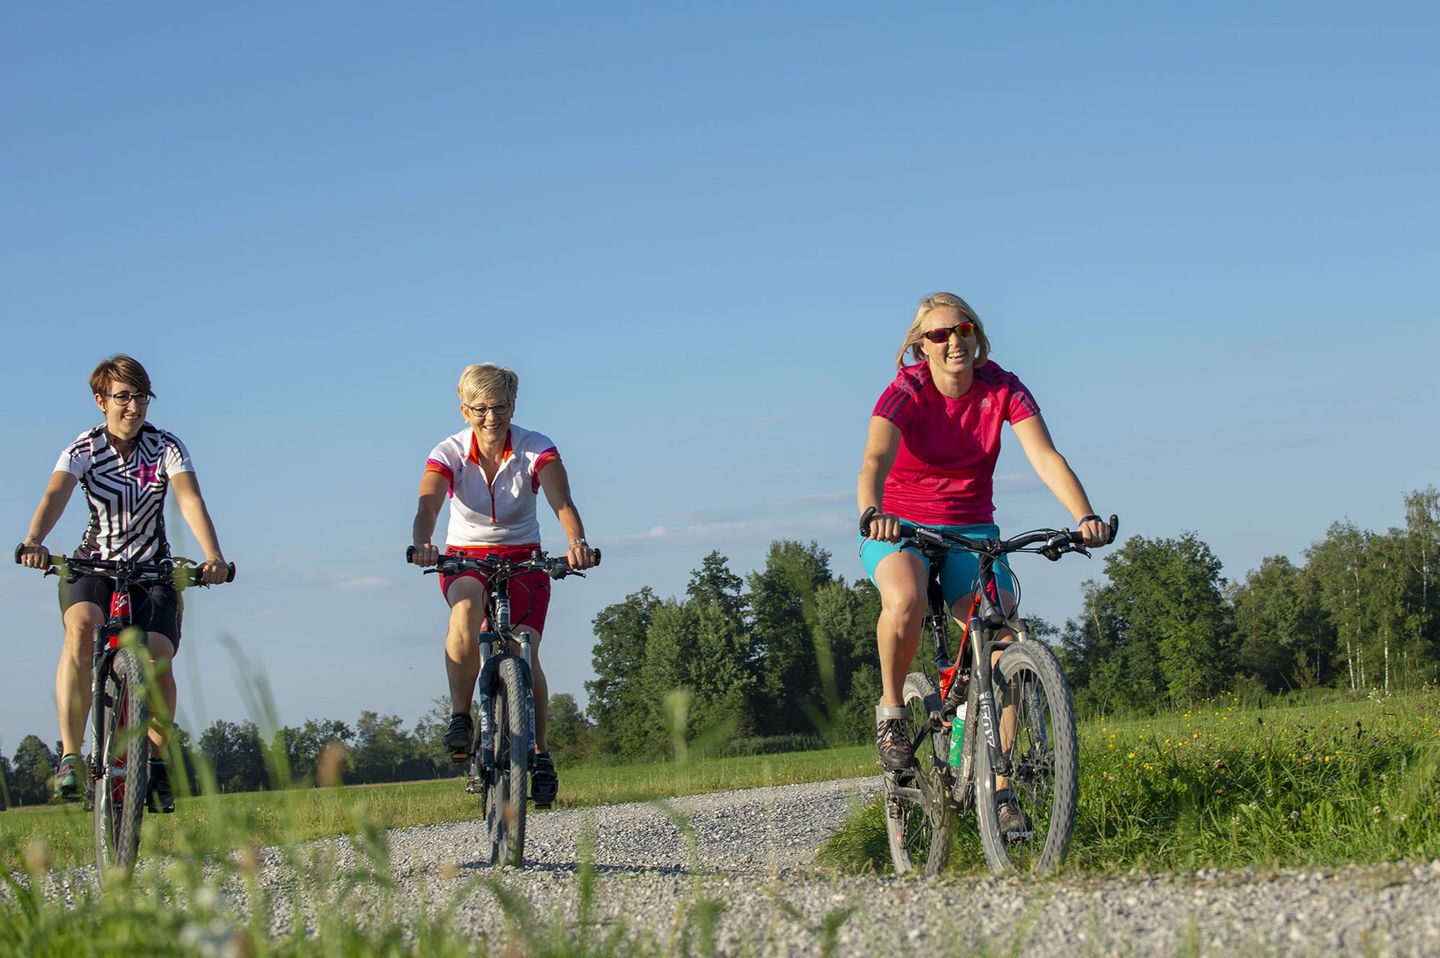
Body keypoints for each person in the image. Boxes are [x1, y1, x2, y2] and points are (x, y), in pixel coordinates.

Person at [856, 292, 1110, 832]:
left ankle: (1001, 787)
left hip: (973, 530)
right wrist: (872, 510)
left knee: (1004, 637)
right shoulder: (907, 391)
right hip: (902, 523)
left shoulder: (1003, 387)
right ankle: (892, 712)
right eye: (939, 335)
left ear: (977, 336)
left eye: (963, 330)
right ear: (919, 347)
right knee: (904, 598)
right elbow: (876, 458)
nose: (953, 342)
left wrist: (1084, 516)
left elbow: (1045, 456)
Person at [16, 355, 230, 809]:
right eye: (123, 397)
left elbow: (190, 499)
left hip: (153, 570)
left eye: (141, 397)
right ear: (101, 401)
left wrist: (213, 556)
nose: (134, 407)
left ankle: (153, 761)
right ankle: (72, 755)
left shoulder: (167, 446)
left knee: (158, 656)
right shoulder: (84, 448)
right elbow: (57, 493)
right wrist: (34, 540)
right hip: (94, 567)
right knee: (82, 629)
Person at [409, 363, 597, 808]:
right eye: (479, 409)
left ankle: (540, 753)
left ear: (514, 406)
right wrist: (422, 544)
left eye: (500, 408)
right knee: (466, 609)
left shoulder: (536, 448)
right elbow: (429, 504)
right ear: (463, 409)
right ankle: (460, 718)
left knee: (524, 649)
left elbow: (561, 501)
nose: (491, 418)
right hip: (464, 559)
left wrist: (577, 543)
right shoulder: (449, 451)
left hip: (524, 558)